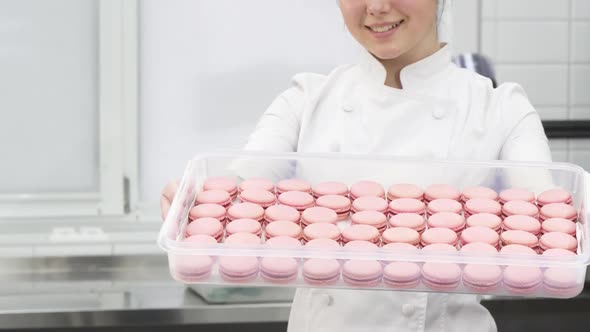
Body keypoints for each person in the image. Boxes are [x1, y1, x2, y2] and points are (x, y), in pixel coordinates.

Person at [161, 0, 553, 331]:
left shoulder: (503, 110)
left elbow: (547, 224)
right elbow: (246, 185)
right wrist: (197, 203)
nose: (377, 7)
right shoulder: (306, 100)